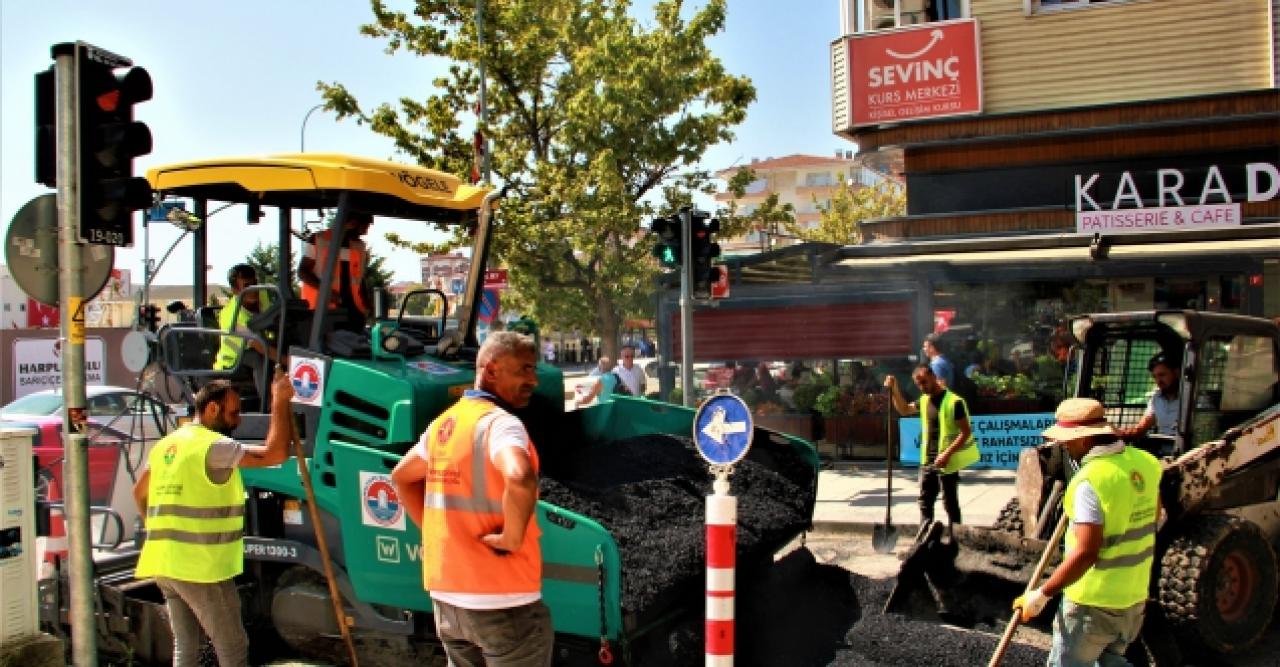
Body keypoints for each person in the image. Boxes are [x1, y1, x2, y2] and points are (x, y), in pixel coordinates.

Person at [390, 332, 552, 666]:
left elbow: (401, 477)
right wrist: (511, 535)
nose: (533, 380)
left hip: (449, 601)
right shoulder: (501, 425)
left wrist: (434, 534)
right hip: (503, 600)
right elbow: (520, 477)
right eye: (524, 369)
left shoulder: (444, 425)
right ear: (491, 371)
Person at [132, 374, 295, 667]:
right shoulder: (213, 446)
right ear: (211, 410)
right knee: (232, 645)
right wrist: (280, 402)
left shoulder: (166, 446)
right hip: (198, 566)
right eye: (234, 413)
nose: (239, 421)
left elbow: (139, 493)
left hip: (165, 564)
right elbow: (276, 454)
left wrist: (156, 529)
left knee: (187, 647)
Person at [1014, 398, 1163, 666]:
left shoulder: (1090, 481)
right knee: (1111, 660)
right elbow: (1154, 517)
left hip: (1091, 603)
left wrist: (1042, 594)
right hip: (1133, 597)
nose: (1065, 447)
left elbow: (1085, 553)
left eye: (1067, 441)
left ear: (1084, 440)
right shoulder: (1147, 463)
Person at [884, 364, 979, 532]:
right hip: (928, 460)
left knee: (950, 504)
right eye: (918, 385)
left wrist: (947, 454)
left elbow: (965, 432)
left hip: (947, 463)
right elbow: (904, 409)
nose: (922, 387)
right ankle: (924, 540)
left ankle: (956, 540)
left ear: (933, 377)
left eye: (925, 383)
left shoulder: (954, 402)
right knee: (925, 502)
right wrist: (895, 389)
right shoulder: (924, 400)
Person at [298, 210, 372, 329]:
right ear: (352, 223)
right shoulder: (318, 240)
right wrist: (327, 292)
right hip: (322, 310)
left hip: (353, 310)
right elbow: (302, 272)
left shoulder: (360, 246)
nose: (365, 233)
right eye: (363, 228)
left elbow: (359, 278)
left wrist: (368, 303)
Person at [214, 264, 277, 392]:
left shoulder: (262, 294)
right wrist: (288, 360)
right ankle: (268, 407)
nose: (254, 290)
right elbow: (259, 346)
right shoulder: (230, 315)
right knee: (258, 358)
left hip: (257, 345)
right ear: (235, 291)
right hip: (233, 360)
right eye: (247, 286)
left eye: (255, 283)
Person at [1118, 353, 1181, 439]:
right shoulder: (1156, 399)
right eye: (1155, 377)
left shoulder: (1190, 399)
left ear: (1176, 373)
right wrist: (1116, 434)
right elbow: (1140, 429)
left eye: (1162, 375)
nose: (1158, 381)